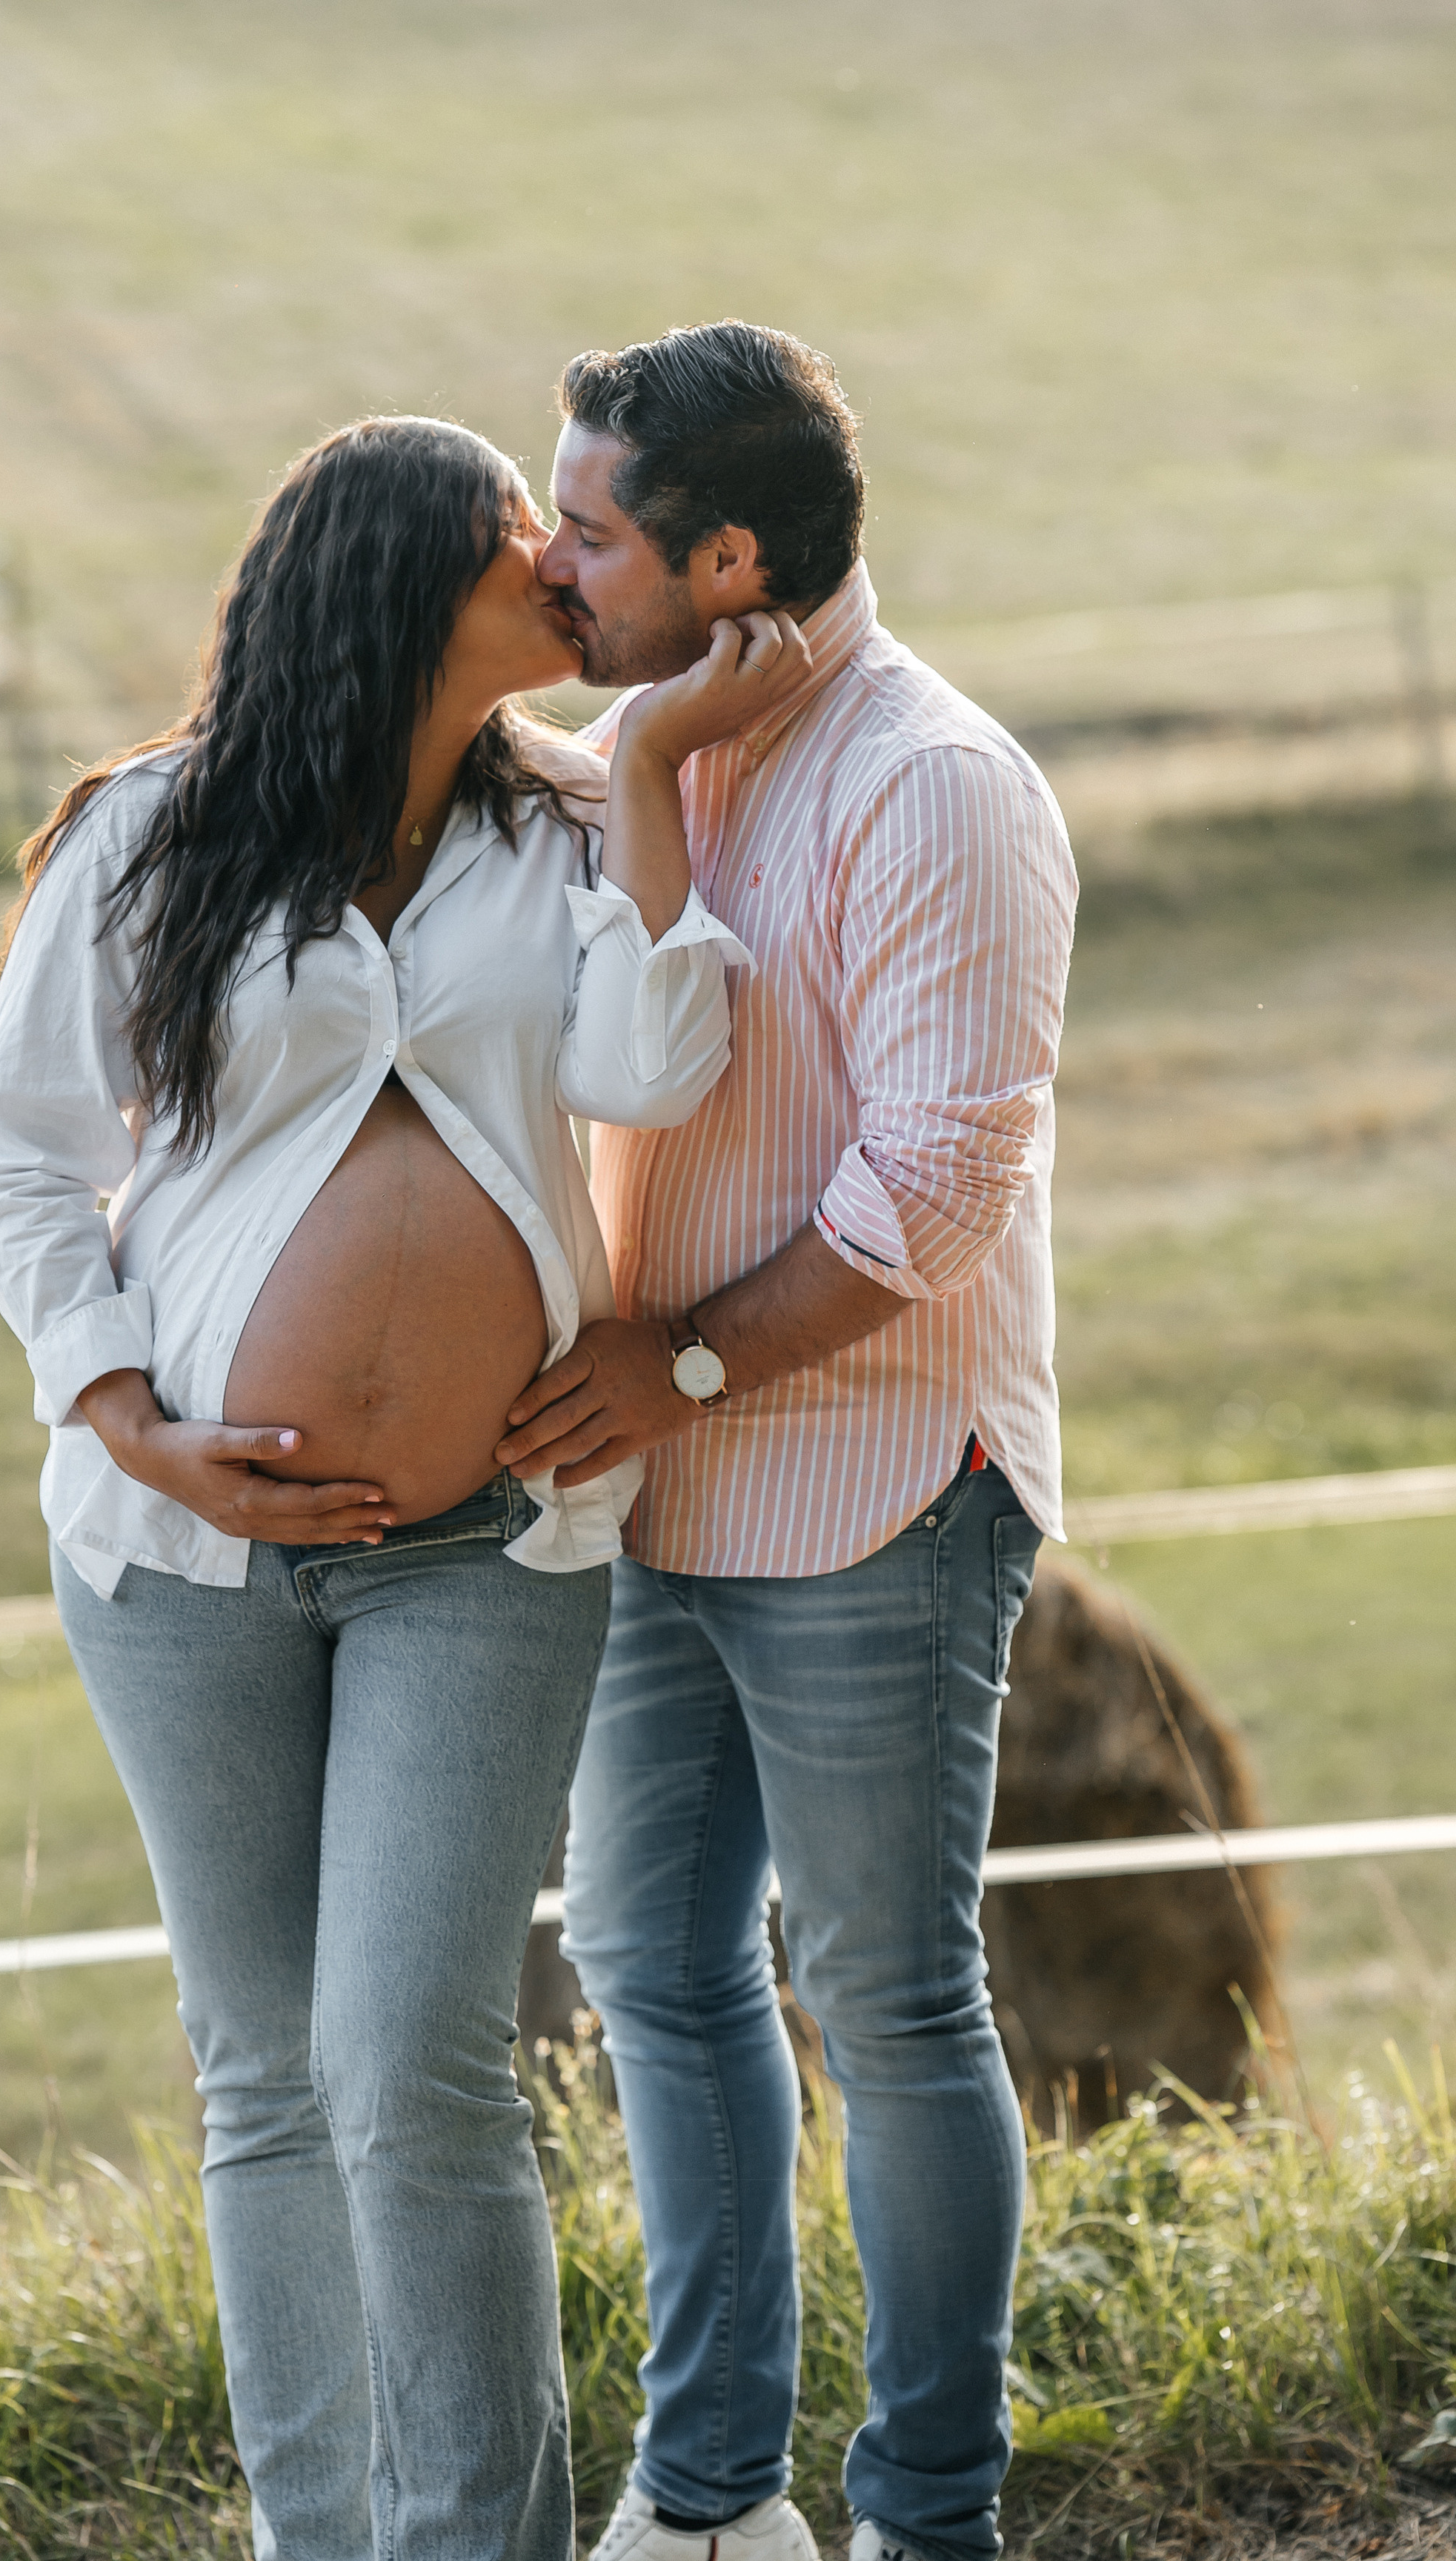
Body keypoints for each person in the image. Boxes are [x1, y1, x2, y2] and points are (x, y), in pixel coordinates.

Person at [0, 413, 810, 2561]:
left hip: (485, 1558)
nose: (561, 555)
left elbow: (649, 1068)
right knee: (263, 2076)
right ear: (394, 583)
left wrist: (637, 784)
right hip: (180, 1559)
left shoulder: (560, 833)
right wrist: (124, 1409)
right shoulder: (151, 834)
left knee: (415, 2064)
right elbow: (19, 1158)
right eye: (515, 530)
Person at [496, 325, 1079, 2561]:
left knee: (893, 1999)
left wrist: (683, 1369)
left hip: (870, 1485)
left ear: (730, 556)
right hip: (665, 1486)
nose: (559, 560)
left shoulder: (936, 785)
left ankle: (932, 2517)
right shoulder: (654, 744)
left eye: (599, 528)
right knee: (649, 1955)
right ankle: (715, 2492)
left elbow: (932, 1195)